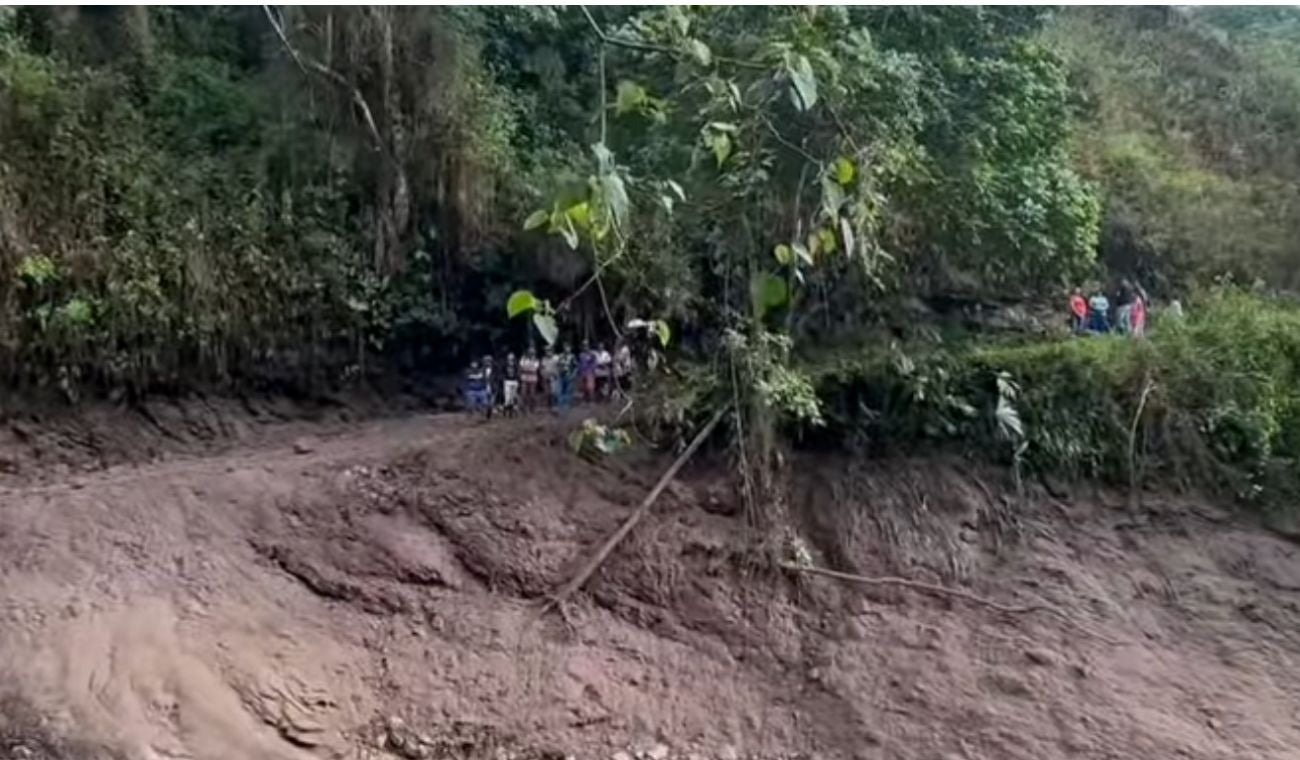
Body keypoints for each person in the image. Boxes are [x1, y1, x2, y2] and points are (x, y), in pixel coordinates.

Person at [519, 347, 540, 413]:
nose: (531, 353)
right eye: (530, 352)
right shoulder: (523, 358)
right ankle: (523, 408)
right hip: (524, 379)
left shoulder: (536, 360)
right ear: (528, 352)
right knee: (523, 393)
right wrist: (529, 368)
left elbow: (534, 369)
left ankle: (532, 408)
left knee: (532, 394)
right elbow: (521, 368)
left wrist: (527, 368)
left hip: (533, 379)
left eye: (532, 352)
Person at [502, 351, 520, 416]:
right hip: (507, 381)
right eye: (509, 357)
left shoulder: (516, 364)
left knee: (513, 396)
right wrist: (503, 378)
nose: (510, 358)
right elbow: (502, 372)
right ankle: (505, 408)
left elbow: (518, 372)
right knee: (507, 397)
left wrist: (517, 379)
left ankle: (511, 411)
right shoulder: (505, 364)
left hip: (514, 381)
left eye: (512, 357)